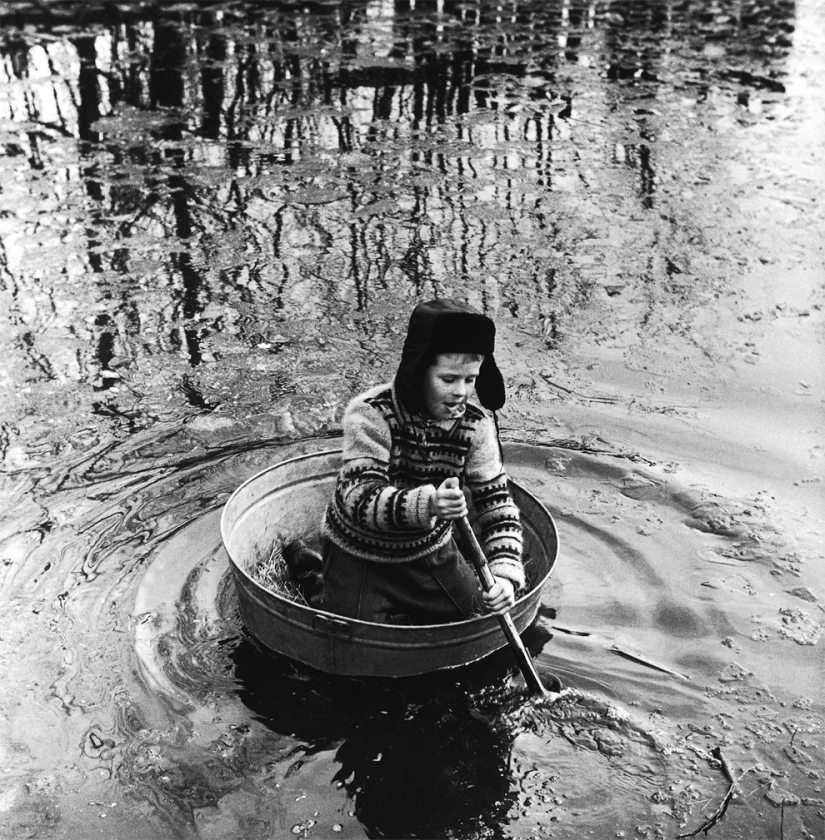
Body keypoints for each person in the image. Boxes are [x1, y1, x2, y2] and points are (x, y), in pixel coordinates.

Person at [317, 298, 525, 625]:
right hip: (360, 556)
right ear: (419, 370)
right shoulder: (371, 413)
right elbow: (359, 499)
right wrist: (428, 504)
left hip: (428, 553)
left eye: (470, 380)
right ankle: (309, 569)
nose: (461, 392)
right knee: (353, 639)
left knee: (479, 616)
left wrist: (505, 577)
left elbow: (497, 508)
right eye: (448, 379)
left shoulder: (475, 427)